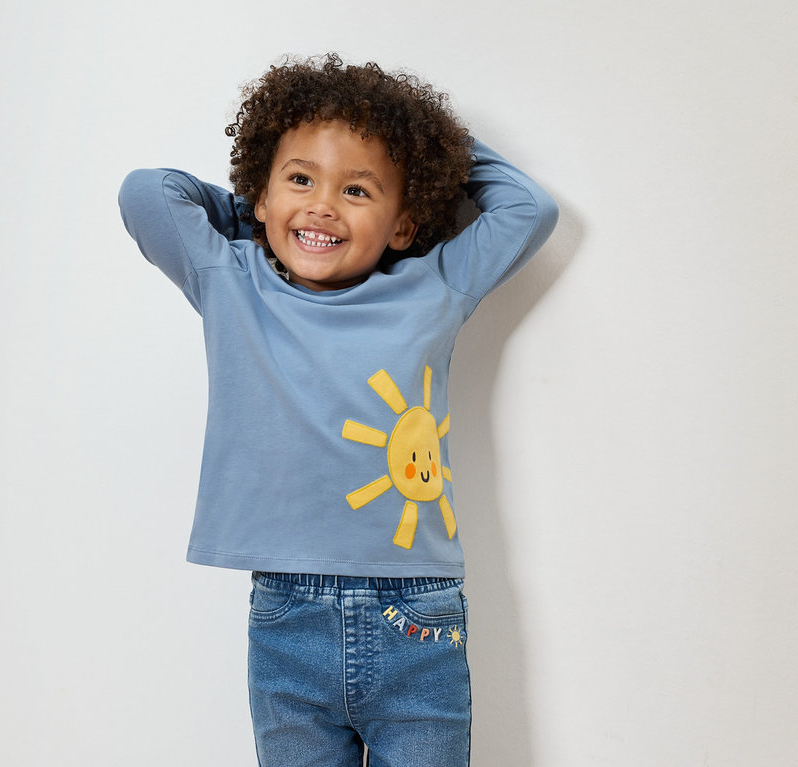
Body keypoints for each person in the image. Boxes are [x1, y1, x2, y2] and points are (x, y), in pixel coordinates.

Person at [118, 53, 558, 767]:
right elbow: (146, 193)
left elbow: (527, 209)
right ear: (261, 195)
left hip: (418, 613)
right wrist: (262, 213)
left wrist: (428, 144)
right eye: (300, 179)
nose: (322, 205)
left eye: (357, 189)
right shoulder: (233, 282)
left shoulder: (434, 284)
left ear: (406, 222)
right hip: (287, 617)